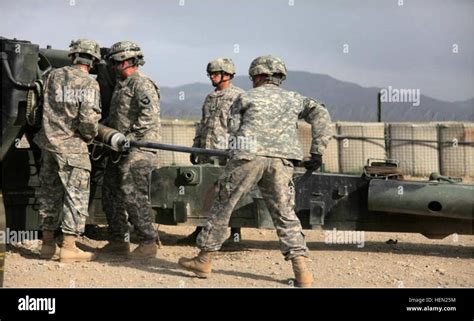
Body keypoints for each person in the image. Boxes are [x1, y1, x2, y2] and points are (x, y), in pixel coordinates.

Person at [178, 55, 333, 287]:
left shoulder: (245, 97)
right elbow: (321, 113)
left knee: (223, 204)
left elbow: (232, 128)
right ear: (279, 76)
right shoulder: (295, 98)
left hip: (247, 157)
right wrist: (317, 151)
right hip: (282, 161)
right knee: (285, 213)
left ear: (258, 76)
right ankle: (302, 272)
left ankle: (204, 259)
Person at [35, 39, 102, 263]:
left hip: (48, 145)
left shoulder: (52, 76)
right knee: (75, 196)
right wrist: (89, 137)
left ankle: (47, 245)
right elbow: (88, 120)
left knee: (49, 194)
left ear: (72, 56)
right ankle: (69, 247)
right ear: (92, 60)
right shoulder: (88, 83)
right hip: (73, 148)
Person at [99, 41, 161, 259]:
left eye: (115, 62)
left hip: (139, 148)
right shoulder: (121, 85)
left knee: (132, 193)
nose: (112, 67)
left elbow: (148, 117)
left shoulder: (141, 84)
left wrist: (129, 139)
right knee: (110, 193)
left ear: (125, 61)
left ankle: (148, 241)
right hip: (118, 149)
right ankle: (119, 240)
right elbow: (117, 117)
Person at [177, 58, 244, 245]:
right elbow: (203, 124)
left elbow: (242, 127)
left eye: (215, 73)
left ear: (227, 75)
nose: (212, 77)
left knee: (228, 192)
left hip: (225, 153)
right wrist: (196, 146)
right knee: (204, 193)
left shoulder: (239, 97)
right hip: (207, 152)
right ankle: (200, 231)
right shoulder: (210, 98)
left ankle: (235, 234)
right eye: (211, 74)